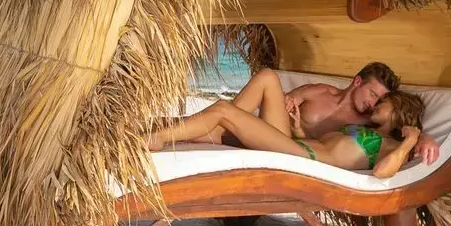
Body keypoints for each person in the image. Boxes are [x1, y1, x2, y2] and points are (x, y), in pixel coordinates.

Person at [144, 68, 429, 178]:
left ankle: (158, 138)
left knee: (222, 110)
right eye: (376, 96)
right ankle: (171, 131)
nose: (376, 104)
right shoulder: (364, 129)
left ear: (398, 113)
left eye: (384, 102)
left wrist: (414, 139)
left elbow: (382, 173)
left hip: (303, 157)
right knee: (264, 79)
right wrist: (296, 125)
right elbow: (325, 141)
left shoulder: (390, 145)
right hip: (297, 146)